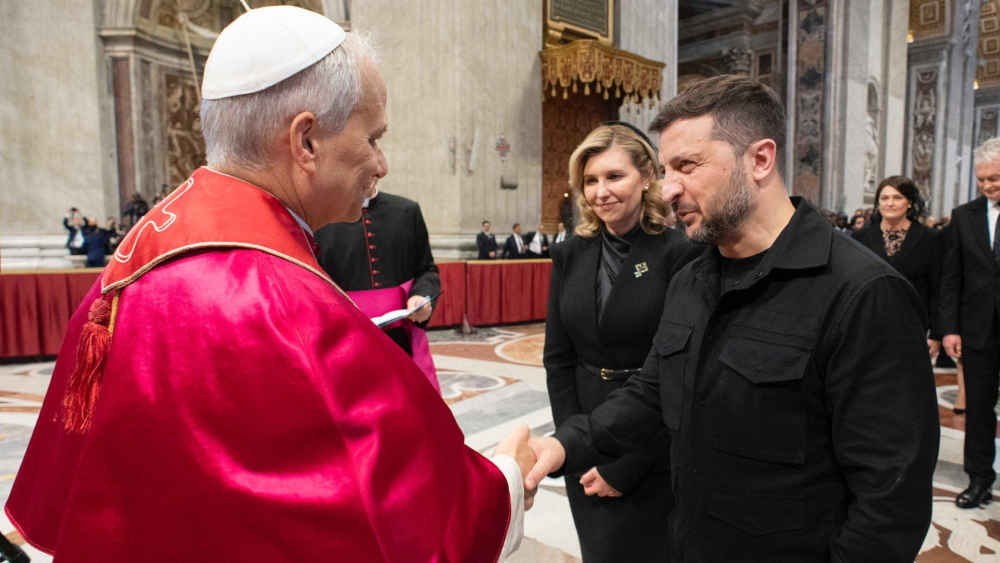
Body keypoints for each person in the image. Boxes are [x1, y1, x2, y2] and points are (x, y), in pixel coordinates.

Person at [7, 7, 532, 561]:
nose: (383, 163)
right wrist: (507, 479)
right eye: (374, 137)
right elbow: (397, 521)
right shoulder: (282, 299)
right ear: (305, 141)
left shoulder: (142, 251)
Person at [526, 75, 939, 562]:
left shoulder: (864, 293)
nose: (670, 188)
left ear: (760, 159)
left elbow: (889, 504)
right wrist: (563, 446)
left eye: (687, 166)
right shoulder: (691, 280)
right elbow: (653, 392)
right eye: (664, 169)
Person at [545, 123, 699, 562]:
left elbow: (680, 369)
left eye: (614, 177)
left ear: (647, 174)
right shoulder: (570, 253)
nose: (600, 192)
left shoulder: (679, 253)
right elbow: (558, 359)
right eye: (590, 180)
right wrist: (573, 443)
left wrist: (626, 464)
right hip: (585, 430)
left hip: (653, 444)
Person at [315, 187, 441, 389]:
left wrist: (421, 296)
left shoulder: (407, 211)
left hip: (400, 339)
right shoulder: (320, 215)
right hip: (344, 342)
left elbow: (427, 270)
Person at [939, 136, 1000, 510]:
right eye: (982, 180)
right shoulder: (965, 216)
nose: (988, 186)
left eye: (994, 178)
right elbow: (951, 277)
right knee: (978, 408)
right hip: (978, 329)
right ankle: (979, 478)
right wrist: (949, 327)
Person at [852, 176, 943, 358]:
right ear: (878, 203)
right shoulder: (860, 238)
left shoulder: (930, 238)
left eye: (897, 197)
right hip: (868, 325)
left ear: (909, 202)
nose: (890, 203)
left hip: (913, 325)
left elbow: (937, 288)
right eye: (885, 198)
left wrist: (936, 333)